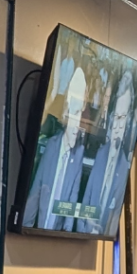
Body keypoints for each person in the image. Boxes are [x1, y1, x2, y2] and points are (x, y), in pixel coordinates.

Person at [23, 66, 87, 232]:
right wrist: (25, 229)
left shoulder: (78, 154)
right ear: (66, 113)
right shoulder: (52, 145)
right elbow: (36, 191)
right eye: (75, 113)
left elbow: (72, 200)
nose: (78, 125)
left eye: (80, 114)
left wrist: (66, 235)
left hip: (57, 234)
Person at [76, 70, 134, 236]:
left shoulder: (125, 167)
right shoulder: (101, 154)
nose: (117, 126)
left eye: (122, 118)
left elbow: (115, 219)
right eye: (116, 117)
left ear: (128, 122)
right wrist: (83, 229)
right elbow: (86, 200)